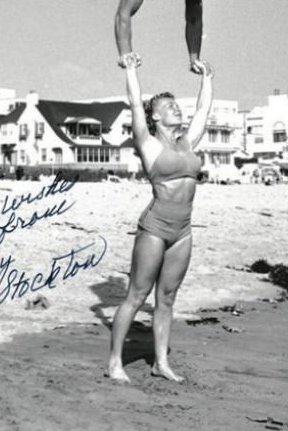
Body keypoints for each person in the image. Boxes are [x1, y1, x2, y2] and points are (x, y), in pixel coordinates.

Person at [108, 53, 214, 383]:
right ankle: (115, 362)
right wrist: (131, 71)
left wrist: (206, 78)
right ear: (156, 116)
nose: (176, 109)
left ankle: (161, 362)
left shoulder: (188, 142)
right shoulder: (149, 144)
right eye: (169, 107)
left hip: (183, 231)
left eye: (176, 106)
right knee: (137, 296)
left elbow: (202, 111)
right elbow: (135, 106)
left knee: (166, 299)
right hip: (154, 228)